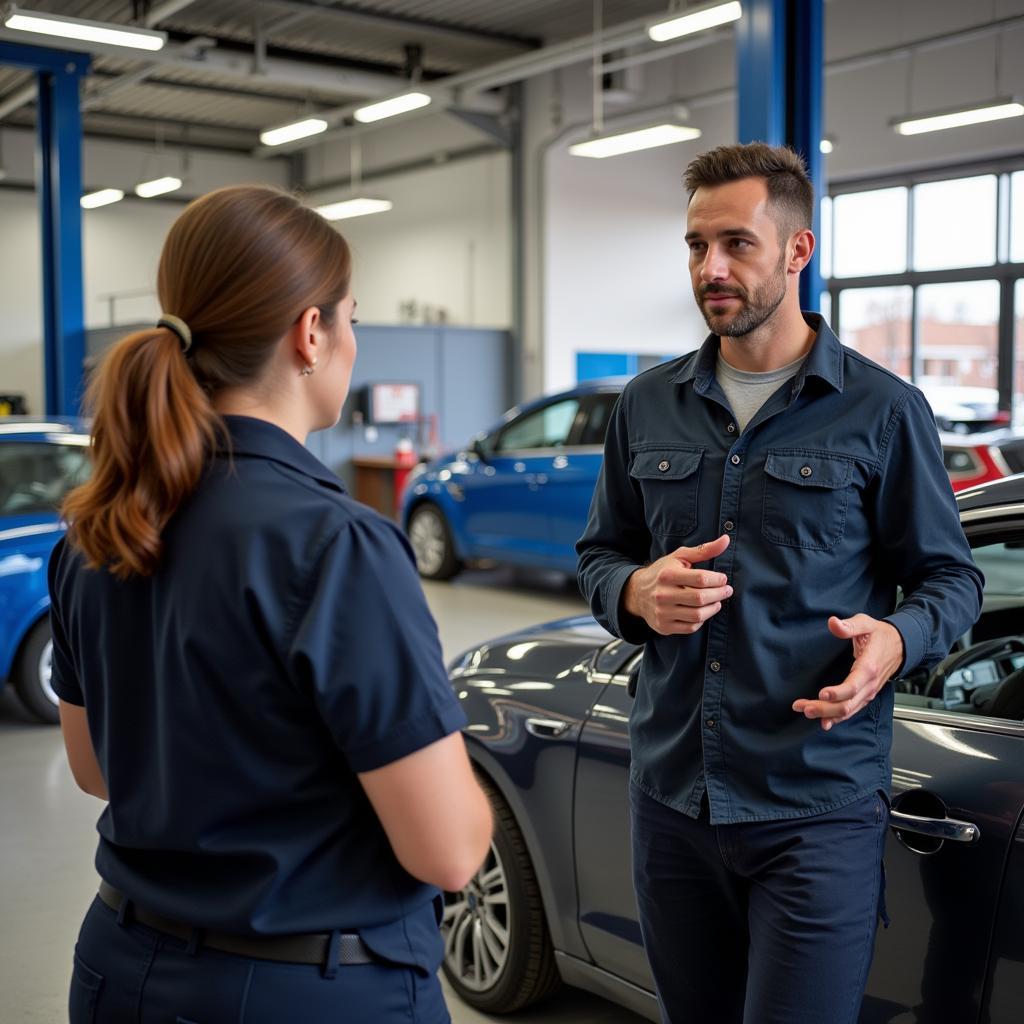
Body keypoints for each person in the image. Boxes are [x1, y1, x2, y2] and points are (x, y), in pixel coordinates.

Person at [50, 184, 493, 1023]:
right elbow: (449, 851)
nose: (352, 341)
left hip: (119, 970)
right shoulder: (337, 546)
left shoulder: (98, 528)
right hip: (304, 991)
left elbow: (95, 768)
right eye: (352, 317)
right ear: (311, 332)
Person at [576, 143, 983, 1024]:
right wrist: (634, 591)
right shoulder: (646, 406)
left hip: (815, 813)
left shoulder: (882, 410)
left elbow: (951, 577)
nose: (709, 268)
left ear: (797, 251)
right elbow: (600, 554)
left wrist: (898, 638)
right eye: (695, 246)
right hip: (673, 800)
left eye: (736, 244)